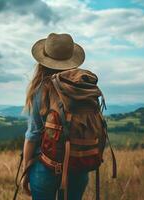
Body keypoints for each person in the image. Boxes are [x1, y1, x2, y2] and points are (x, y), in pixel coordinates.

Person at [22, 33, 89, 200]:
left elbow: (32, 136)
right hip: (78, 167)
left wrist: (25, 171)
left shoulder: (40, 90)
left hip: (46, 166)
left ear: (43, 62)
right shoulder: (84, 90)